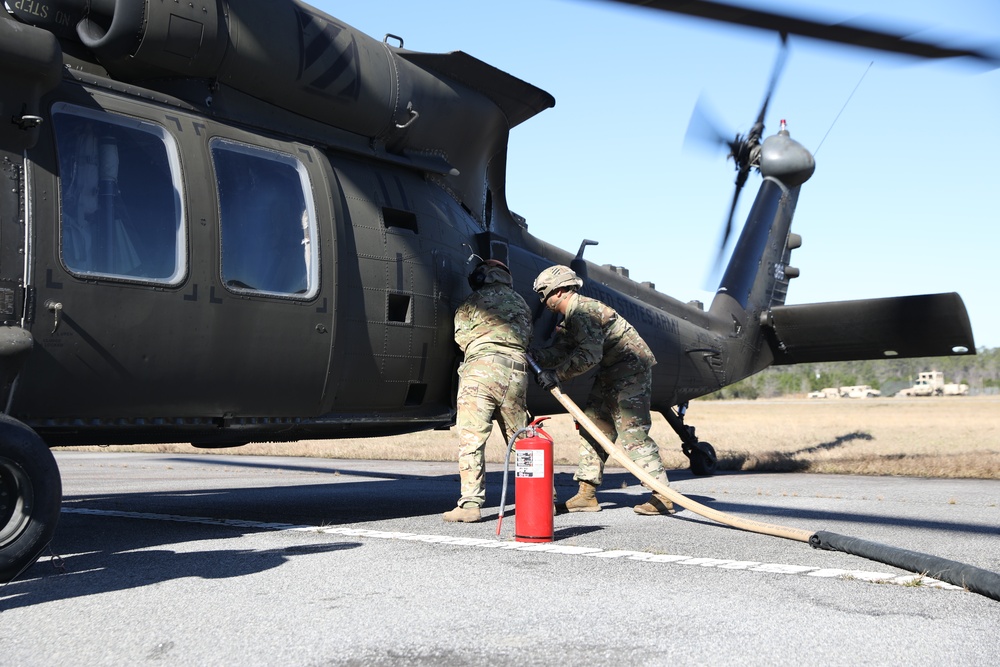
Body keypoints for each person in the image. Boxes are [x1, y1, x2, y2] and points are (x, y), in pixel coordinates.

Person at [530, 265, 674, 515]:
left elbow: (589, 355)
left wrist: (556, 375)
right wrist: (534, 355)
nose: (542, 300)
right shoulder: (571, 318)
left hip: (630, 369)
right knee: (593, 427)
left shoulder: (584, 311)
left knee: (632, 434)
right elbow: (561, 351)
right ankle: (586, 495)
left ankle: (663, 496)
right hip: (610, 371)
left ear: (561, 290)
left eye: (544, 293)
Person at [443, 259, 532, 523]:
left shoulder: (471, 303)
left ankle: (470, 504)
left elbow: (461, 339)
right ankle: (542, 498)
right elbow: (528, 338)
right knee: (521, 441)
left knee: (472, 439)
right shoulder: (521, 304)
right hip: (517, 373)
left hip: (481, 370)